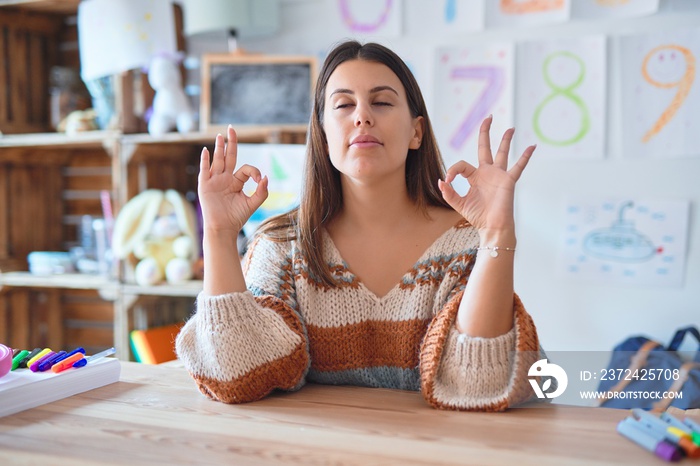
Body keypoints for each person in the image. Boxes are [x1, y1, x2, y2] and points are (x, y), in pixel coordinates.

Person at [175, 40, 541, 411]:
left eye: (381, 102)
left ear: (416, 132)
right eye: (344, 104)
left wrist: (497, 234)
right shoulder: (281, 245)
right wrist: (219, 237)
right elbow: (237, 376)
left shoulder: (464, 243)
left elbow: (480, 386)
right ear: (322, 132)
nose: (362, 116)